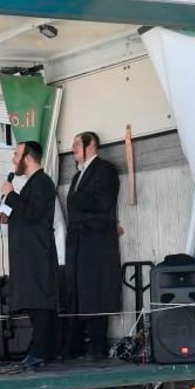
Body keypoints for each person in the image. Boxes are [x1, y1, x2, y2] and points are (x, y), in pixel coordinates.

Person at [0, 140, 60, 367]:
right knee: (33, 303)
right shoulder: (34, 184)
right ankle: (39, 349)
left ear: (27, 158)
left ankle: (41, 351)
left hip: (37, 255)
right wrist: (8, 219)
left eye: (16, 154)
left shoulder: (42, 183)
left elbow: (33, 213)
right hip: (30, 254)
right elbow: (29, 215)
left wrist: (11, 195)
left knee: (39, 303)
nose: (13, 159)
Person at [63, 132, 122, 360]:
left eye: (77, 143)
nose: (73, 148)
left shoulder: (104, 169)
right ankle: (78, 343)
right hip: (78, 242)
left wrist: (77, 199)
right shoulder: (78, 175)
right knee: (79, 292)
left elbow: (103, 201)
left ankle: (97, 346)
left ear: (91, 145)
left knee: (96, 291)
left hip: (96, 241)